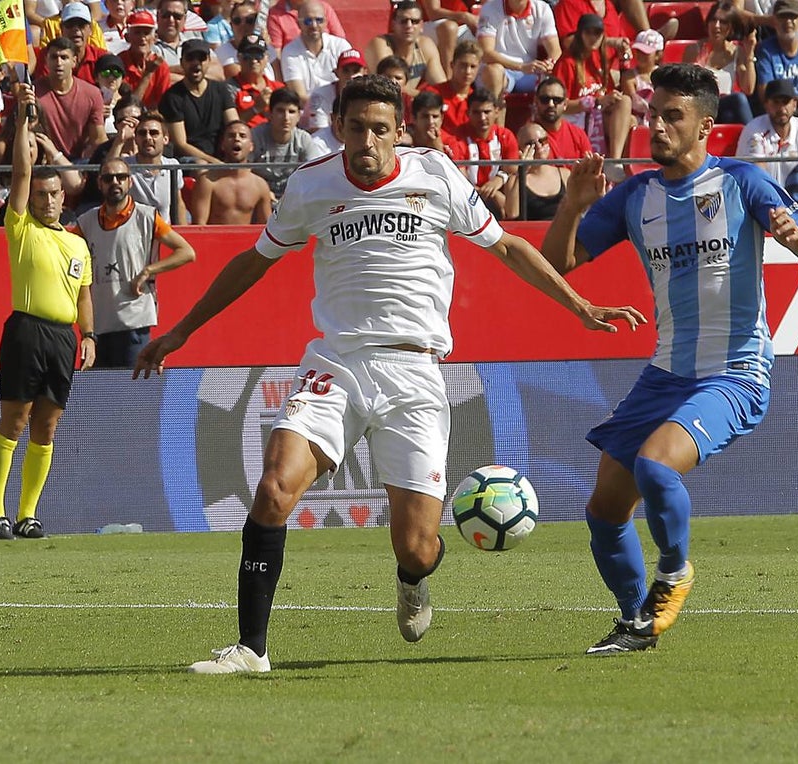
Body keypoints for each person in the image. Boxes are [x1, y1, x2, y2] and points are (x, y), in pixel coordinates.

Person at [133, 74, 642, 673]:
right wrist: (180, 332)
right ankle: (251, 649)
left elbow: (506, 247)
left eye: (380, 129)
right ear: (338, 127)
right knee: (273, 490)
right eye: (356, 128)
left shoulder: (436, 175)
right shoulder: (312, 186)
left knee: (416, 545)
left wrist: (579, 307)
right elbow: (254, 263)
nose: (367, 141)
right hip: (337, 363)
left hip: (416, 373)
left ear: (400, 131)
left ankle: (414, 575)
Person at [540, 63, 798, 654]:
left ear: (705, 126)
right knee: (603, 509)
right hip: (665, 373)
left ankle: (673, 573)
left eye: (673, 116)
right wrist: (572, 206)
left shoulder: (743, 182)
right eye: (655, 114)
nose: (659, 126)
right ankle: (634, 623)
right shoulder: (633, 196)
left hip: (735, 372)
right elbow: (559, 263)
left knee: (655, 465)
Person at [0, 84, 96, 541]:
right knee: (15, 419)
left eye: (54, 195)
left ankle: (28, 514)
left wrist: (87, 335)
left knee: (47, 425)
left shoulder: (76, 242)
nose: (47, 200)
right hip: (26, 331)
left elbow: (84, 296)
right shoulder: (20, 228)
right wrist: (25, 117)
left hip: (62, 338)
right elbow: (22, 171)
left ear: (63, 198)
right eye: (41, 194)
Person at [75, 157, 195, 367]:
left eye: (121, 177)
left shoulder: (147, 216)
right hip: (98, 324)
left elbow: (186, 252)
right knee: (99, 396)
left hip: (134, 321)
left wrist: (149, 270)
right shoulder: (86, 222)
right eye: (109, 178)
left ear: (130, 182)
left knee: (134, 394)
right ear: (100, 183)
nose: (115, 182)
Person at [551, 13, 634, 167]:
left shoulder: (598, 58)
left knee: (630, 117)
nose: (593, 37)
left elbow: (606, 94)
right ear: (579, 34)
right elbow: (560, 105)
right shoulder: (567, 62)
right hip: (576, 117)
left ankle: (619, 167)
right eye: (588, 32)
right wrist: (595, 101)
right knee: (625, 111)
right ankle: (614, 163)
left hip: (597, 115)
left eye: (598, 33)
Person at [160, 37, 238, 163]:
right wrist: (214, 162)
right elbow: (181, 144)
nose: (196, 63)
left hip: (221, 156)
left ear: (208, 61)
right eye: (190, 58)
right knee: (200, 164)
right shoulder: (172, 97)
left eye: (201, 58)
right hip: (188, 160)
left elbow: (234, 125)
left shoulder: (221, 90)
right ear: (182, 62)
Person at [682, 5, 756, 125]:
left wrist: (749, 53)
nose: (716, 26)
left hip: (725, 107)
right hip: (702, 105)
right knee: (738, 99)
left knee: (730, 114)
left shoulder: (738, 52)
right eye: (713, 20)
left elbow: (748, 88)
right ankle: (755, 137)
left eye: (723, 22)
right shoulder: (695, 50)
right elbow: (684, 86)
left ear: (731, 27)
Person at [450, 87, 519, 217]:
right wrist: (491, 194)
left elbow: (512, 170)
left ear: (497, 112)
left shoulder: (506, 136)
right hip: (469, 197)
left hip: (502, 195)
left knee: (514, 179)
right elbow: (459, 178)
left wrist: (498, 181)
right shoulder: (457, 138)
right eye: (476, 112)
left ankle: (516, 222)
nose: (482, 118)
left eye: (487, 112)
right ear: (468, 113)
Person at [36, 36, 108, 161]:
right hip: (44, 162)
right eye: (54, 57)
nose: (59, 63)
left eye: (64, 57)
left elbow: (98, 138)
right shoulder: (33, 92)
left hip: (79, 161)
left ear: (74, 61)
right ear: (46, 60)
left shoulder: (92, 94)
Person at [474, 0, 559, 102]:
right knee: (493, 72)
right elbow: (486, 53)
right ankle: (496, 114)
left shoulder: (542, 8)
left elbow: (555, 50)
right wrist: (520, 67)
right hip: (501, 68)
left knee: (557, 80)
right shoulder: (490, 8)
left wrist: (550, 64)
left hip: (529, 71)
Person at [110, 111, 187, 222]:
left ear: (165, 139)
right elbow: (108, 171)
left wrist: (183, 234)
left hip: (164, 234)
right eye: (142, 133)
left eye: (154, 133)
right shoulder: (125, 166)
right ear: (136, 138)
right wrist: (120, 140)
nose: (148, 137)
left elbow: (179, 204)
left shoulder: (172, 166)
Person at [189, 120, 272, 223]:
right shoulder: (207, 181)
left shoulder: (260, 185)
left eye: (242, 136)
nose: (236, 139)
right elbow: (199, 226)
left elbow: (266, 228)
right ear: (222, 145)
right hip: (214, 238)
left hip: (246, 239)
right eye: (231, 135)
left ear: (251, 147)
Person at [736, 78, 798, 185]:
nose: (781, 109)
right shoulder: (753, 129)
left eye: (786, 102)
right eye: (776, 102)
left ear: (794, 105)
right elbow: (758, 177)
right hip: (762, 195)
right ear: (766, 105)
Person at [367, 0, 448, 99]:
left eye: (414, 21)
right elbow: (389, 86)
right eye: (403, 21)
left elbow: (441, 88)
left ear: (421, 26)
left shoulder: (425, 46)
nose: (409, 26)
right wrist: (425, 97)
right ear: (393, 25)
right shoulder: (381, 44)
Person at [279, 0, 354, 107]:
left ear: (326, 22)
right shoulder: (290, 51)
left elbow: (351, 85)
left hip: (341, 109)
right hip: (309, 115)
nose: (314, 25)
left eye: (319, 20)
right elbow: (300, 96)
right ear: (298, 23)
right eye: (308, 21)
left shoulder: (341, 46)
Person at [250, 87, 313, 197]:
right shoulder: (255, 136)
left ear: (299, 116)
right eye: (280, 111)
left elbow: (314, 174)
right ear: (269, 114)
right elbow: (243, 173)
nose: (286, 118)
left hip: (294, 198)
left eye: (291, 112)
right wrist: (263, 192)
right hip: (258, 196)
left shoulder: (304, 139)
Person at [511, 121, 569, 220]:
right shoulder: (514, 180)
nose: (538, 146)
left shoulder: (565, 174)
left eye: (542, 141)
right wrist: (522, 171)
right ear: (520, 149)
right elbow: (512, 213)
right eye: (531, 144)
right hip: (531, 233)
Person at [421, 39, 479, 133]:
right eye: (463, 65)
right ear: (452, 65)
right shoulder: (433, 93)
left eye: (473, 67)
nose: (468, 72)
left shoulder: (478, 101)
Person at [119, 9, 173, 110]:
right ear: (127, 37)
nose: (142, 38)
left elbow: (164, 105)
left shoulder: (161, 66)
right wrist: (148, 73)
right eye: (137, 33)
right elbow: (129, 108)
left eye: (146, 33)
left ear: (155, 38)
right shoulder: (120, 63)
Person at [228, 34, 284, 128]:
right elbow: (229, 126)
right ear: (239, 57)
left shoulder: (279, 89)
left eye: (258, 56)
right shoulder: (229, 88)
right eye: (247, 56)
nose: (253, 61)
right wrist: (255, 109)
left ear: (267, 58)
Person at [532, 76, 592, 160]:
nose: (551, 104)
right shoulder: (529, 135)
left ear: (565, 104)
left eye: (557, 100)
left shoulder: (578, 135)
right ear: (536, 101)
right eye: (545, 99)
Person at [266, 0, 349, 53]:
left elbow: (340, 41)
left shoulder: (323, 8)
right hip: (295, 64)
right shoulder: (275, 15)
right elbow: (276, 52)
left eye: (318, 20)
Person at [622, 28, 663, 127]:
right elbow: (635, 105)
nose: (641, 55)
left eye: (646, 53)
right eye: (639, 51)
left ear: (657, 55)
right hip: (639, 119)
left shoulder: (663, 75)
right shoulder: (629, 77)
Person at [407, 89, 461, 155]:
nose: (431, 122)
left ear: (441, 118)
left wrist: (438, 150)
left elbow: (454, 165)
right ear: (414, 118)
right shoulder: (402, 137)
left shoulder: (450, 142)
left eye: (435, 116)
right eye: (425, 116)